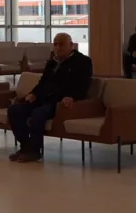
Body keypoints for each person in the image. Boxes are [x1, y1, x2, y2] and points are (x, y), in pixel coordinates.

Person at [6, 33, 93, 163]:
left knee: (38, 114)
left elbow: (83, 85)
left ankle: (34, 151)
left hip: (59, 102)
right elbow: (43, 82)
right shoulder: (52, 62)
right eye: (55, 44)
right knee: (14, 110)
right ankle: (26, 147)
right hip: (43, 98)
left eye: (61, 44)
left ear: (71, 45)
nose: (57, 48)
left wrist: (72, 97)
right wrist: (33, 93)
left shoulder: (83, 62)